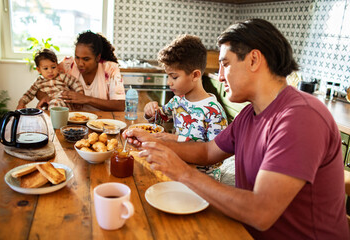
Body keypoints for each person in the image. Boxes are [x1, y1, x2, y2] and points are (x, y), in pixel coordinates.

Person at [123, 19, 349, 239]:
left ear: (253, 60)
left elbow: (261, 212)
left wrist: (182, 172)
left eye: (226, 64)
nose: (220, 76)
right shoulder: (249, 115)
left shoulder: (300, 117)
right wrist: (154, 142)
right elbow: (207, 152)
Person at [144, 34, 228, 181]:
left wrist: (177, 139)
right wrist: (150, 110)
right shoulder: (178, 100)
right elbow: (159, 118)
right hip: (178, 167)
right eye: (168, 76)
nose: (169, 82)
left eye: (174, 77)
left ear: (195, 75)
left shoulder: (214, 111)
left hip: (203, 179)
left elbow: (217, 158)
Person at [36, 30, 125, 111]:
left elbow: (120, 105)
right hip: (72, 120)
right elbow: (38, 89)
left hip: (102, 122)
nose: (80, 63)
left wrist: (87, 99)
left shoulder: (110, 69)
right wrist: (46, 97)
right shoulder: (68, 65)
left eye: (86, 59)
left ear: (98, 57)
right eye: (77, 57)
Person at [16, 49, 84, 110]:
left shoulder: (62, 76)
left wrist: (80, 94)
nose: (50, 71)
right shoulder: (39, 82)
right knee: (45, 109)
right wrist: (21, 103)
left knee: (55, 103)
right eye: (46, 68)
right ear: (39, 70)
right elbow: (29, 94)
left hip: (65, 104)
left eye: (53, 67)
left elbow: (76, 83)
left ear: (57, 66)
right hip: (50, 106)